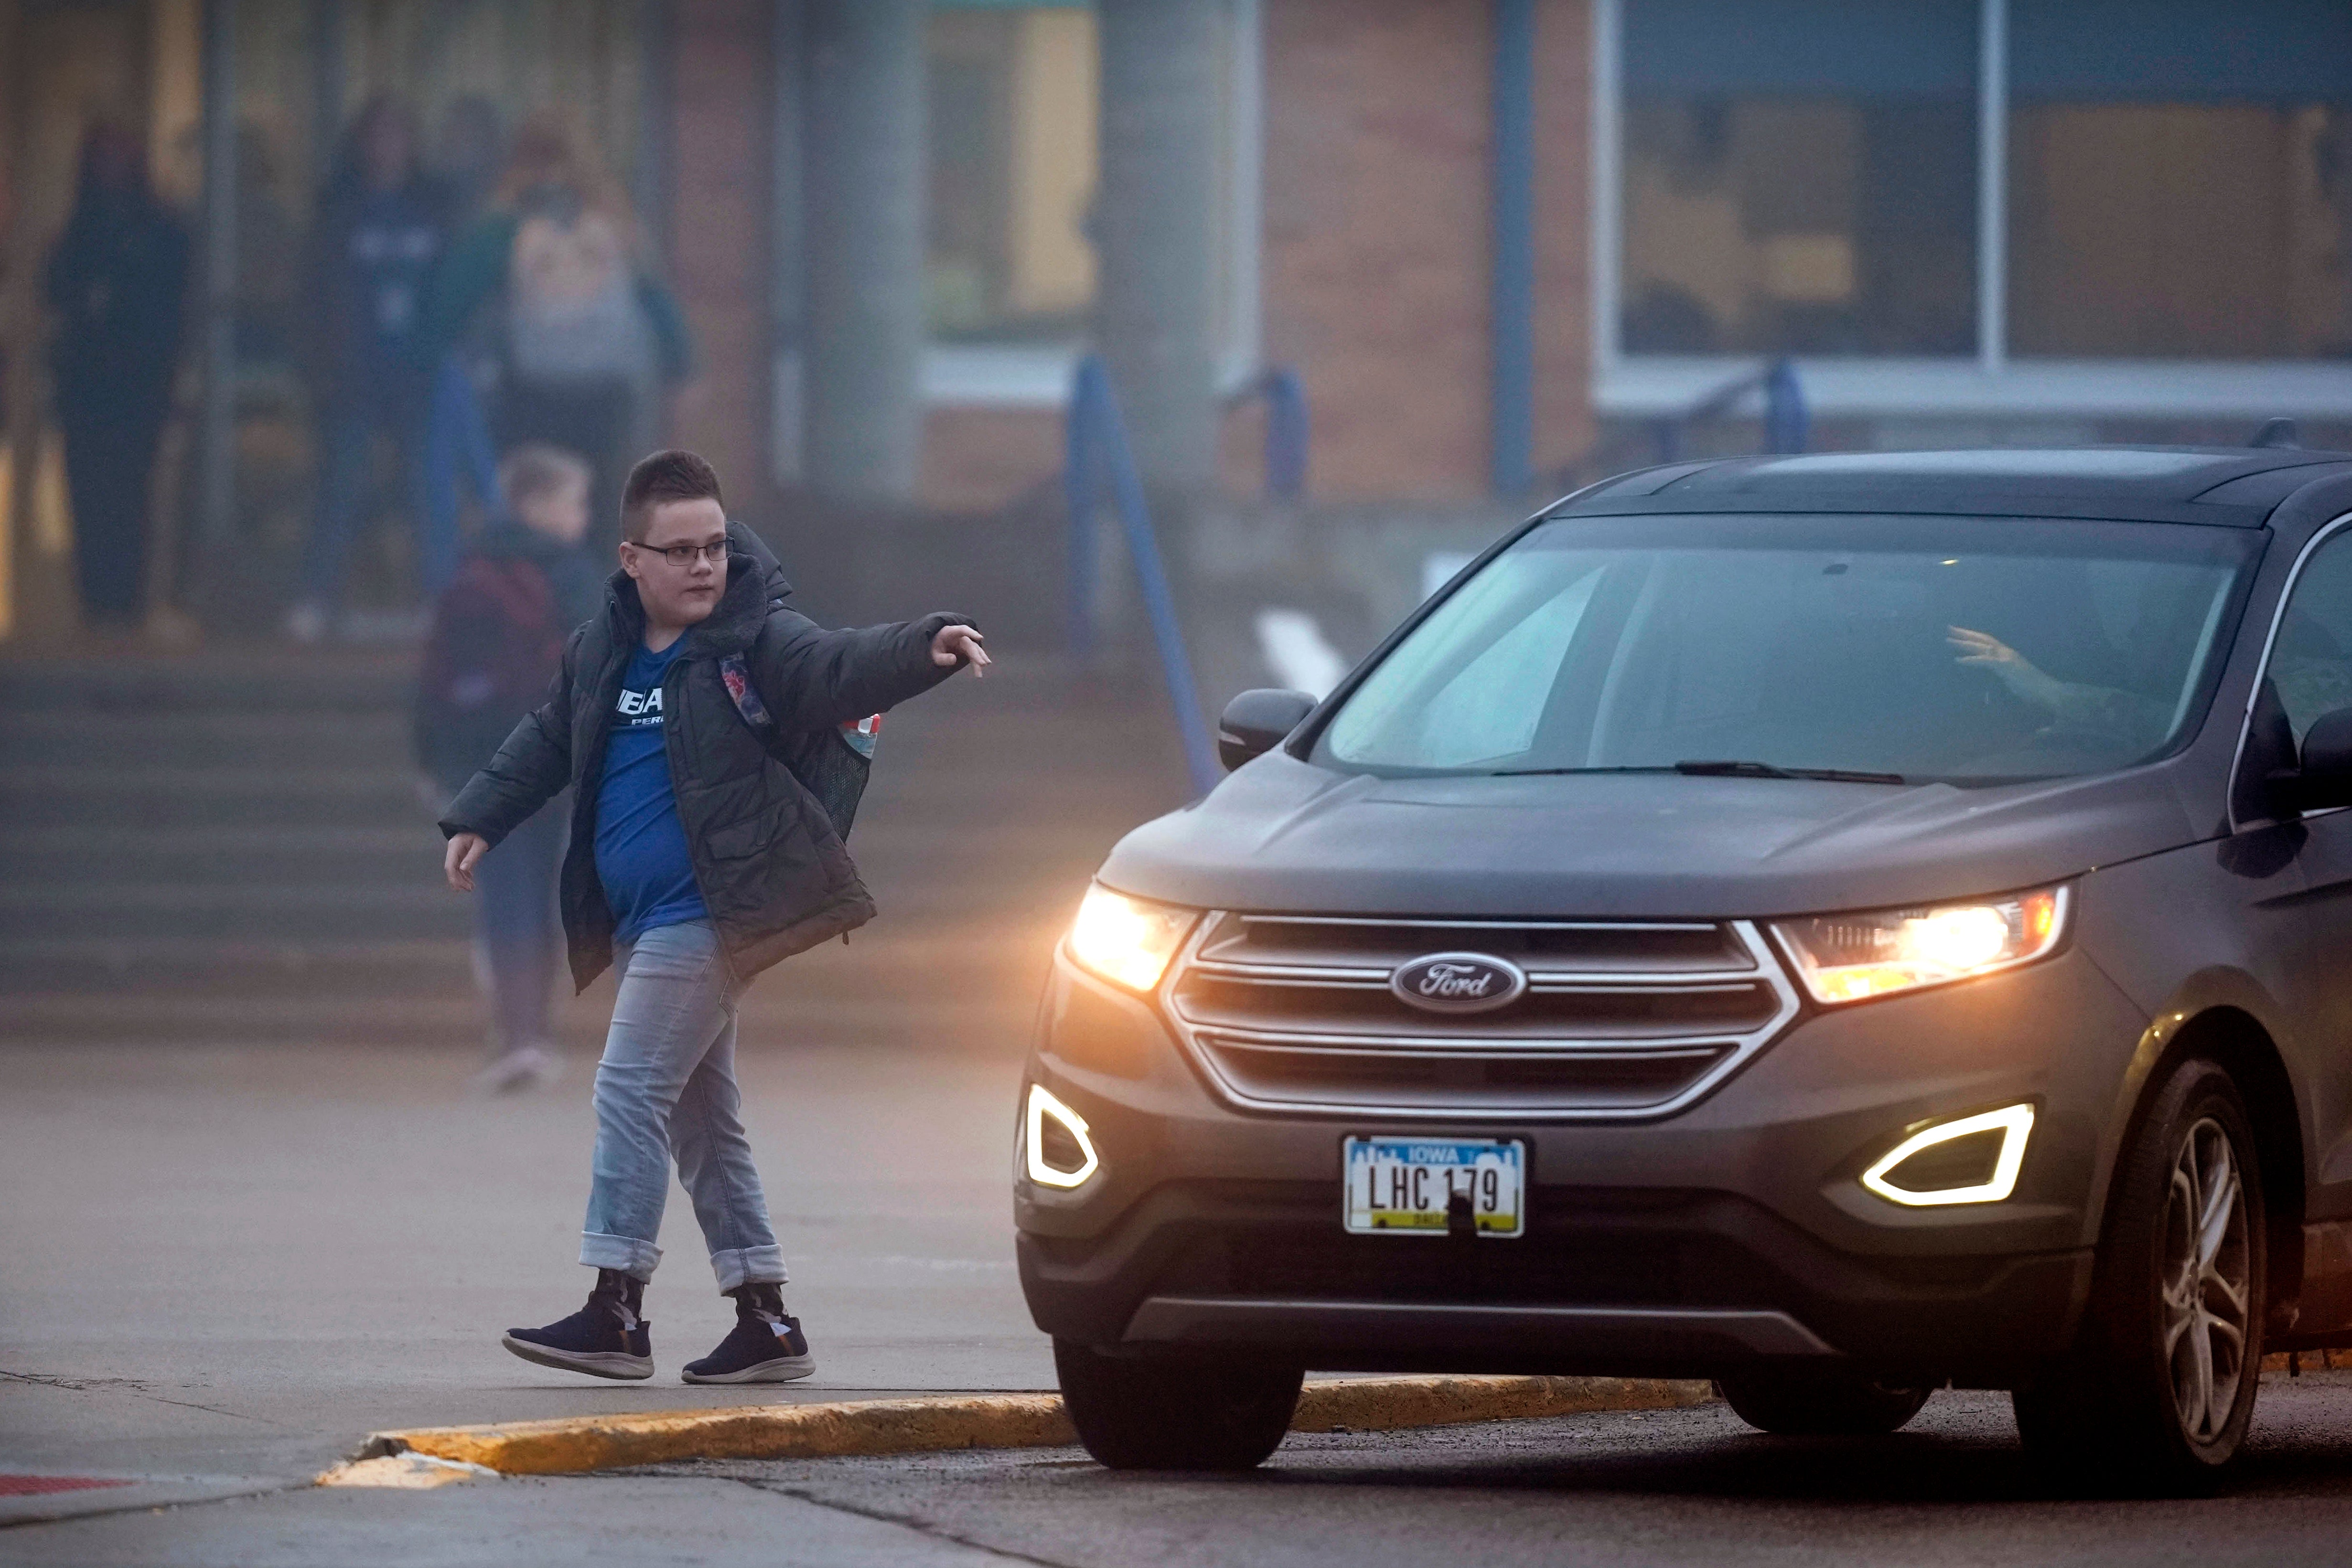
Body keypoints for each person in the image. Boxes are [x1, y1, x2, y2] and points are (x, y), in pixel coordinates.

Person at [437, 449, 988, 1383]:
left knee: (626, 1086)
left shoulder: (756, 638)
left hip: (714, 912)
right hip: (646, 918)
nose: (703, 565)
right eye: (680, 550)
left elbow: (836, 666)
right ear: (631, 559)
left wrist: (920, 646)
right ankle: (766, 1323)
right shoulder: (602, 648)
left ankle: (616, 1308)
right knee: (701, 1119)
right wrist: (482, 814)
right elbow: (547, 736)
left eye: (714, 547)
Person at [416, 112, 692, 555]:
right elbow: (653, 295)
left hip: (531, 392)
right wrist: (682, 367)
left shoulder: (503, 226)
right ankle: (597, 607)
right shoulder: (612, 222)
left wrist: (425, 363)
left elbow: (449, 302)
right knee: (600, 511)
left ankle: (536, 604)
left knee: (532, 505)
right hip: (605, 394)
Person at [416, 444, 604, 1092]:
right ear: (536, 505)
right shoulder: (576, 578)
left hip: (484, 768)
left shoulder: (468, 572)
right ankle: (536, 1035)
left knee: (505, 896)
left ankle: (515, 1034)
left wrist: (431, 762)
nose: (581, 516)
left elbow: (432, 679)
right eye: (573, 502)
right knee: (551, 892)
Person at [290, 97, 454, 642]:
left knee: (424, 488)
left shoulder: (434, 208)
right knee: (340, 485)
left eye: (397, 134)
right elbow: (311, 297)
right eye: (377, 136)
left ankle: (436, 602)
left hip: (415, 374)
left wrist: (444, 357)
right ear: (361, 145)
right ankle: (316, 599)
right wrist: (321, 369)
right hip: (354, 376)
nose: (387, 147)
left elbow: (452, 292)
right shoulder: (339, 209)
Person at [44, 119, 191, 632]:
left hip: (139, 391)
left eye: (119, 157)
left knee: (133, 501)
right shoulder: (76, 230)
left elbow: (170, 305)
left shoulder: (161, 230)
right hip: (86, 393)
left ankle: (129, 606)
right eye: (101, 158)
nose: (111, 169)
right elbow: (58, 292)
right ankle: (95, 606)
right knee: (87, 500)